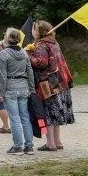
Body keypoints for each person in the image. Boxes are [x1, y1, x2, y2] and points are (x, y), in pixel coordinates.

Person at [28, 19, 74, 151]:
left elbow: (41, 63)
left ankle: (50, 143)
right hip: (61, 82)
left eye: (34, 29)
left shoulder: (42, 45)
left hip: (49, 86)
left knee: (48, 113)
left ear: (39, 31)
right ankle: (57, 141)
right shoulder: (54, 42)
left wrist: (28, 55)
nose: (32, 31)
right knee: (56, 113)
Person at [0, 28, 35, 155]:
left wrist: (1, 93)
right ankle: (29, 146)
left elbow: (2, 75)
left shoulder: (3, 54)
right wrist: (32, 88)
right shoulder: (24, 53)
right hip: (23, 87)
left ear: (7, 38)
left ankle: (18, 146)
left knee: (14, 119)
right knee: (25, 117)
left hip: (10, 88)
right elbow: (30, 71)